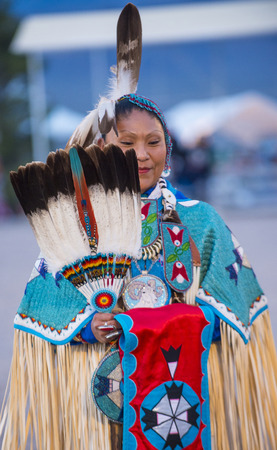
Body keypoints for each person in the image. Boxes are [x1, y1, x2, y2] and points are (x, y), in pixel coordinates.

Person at [1, 4, 277, 450]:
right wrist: (91, 326)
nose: (142, 154)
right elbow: (42, 307)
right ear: (103, 148)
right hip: (101, 395)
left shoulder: (198, 219)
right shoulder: (76, 225)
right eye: (126, 143)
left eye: (154, 142)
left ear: (169, 147)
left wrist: (191, 321)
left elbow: (237, 307)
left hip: (179, 397)